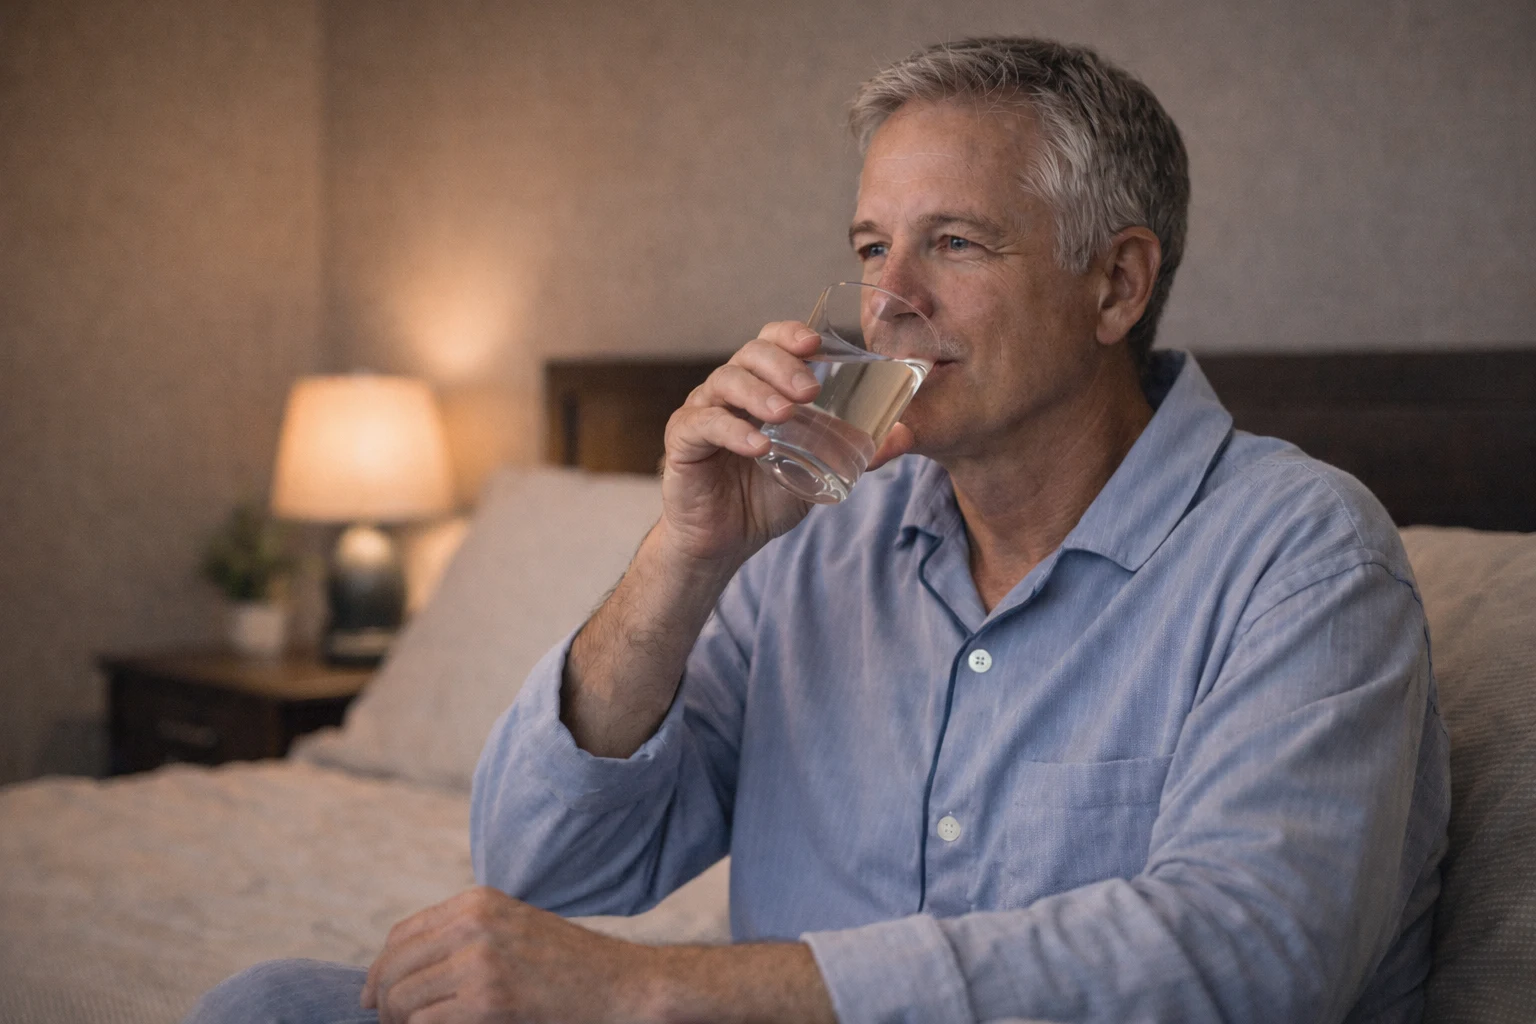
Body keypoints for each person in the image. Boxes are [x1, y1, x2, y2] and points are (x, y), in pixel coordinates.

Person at [190, 36, 1449, 1024]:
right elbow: (537, 863)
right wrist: (686, 556)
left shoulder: (1300, 554)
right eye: (869, 248)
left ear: (1116, 283)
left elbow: (1250, 958)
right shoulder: (821, 537)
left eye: (953, 243)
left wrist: (658, 990)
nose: (888, 301)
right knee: (277, 1006)